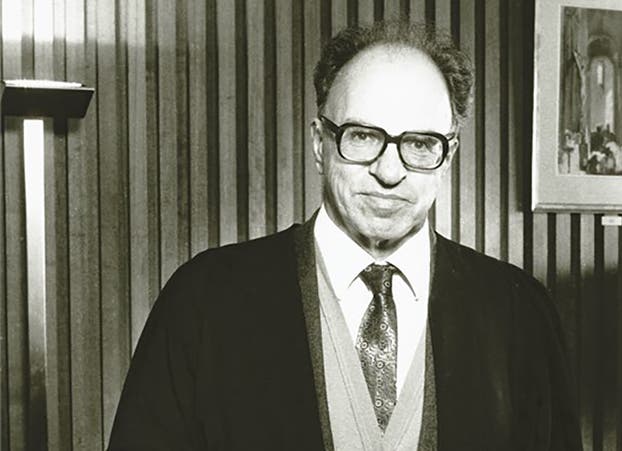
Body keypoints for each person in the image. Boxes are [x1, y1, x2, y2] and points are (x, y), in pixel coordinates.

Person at [108, 21, 582, 450]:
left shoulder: (520, 312)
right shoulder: (203, 300)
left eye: (419, 144)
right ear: (320, 144)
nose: (390, 171)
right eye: (362, 136)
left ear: (449, 155)